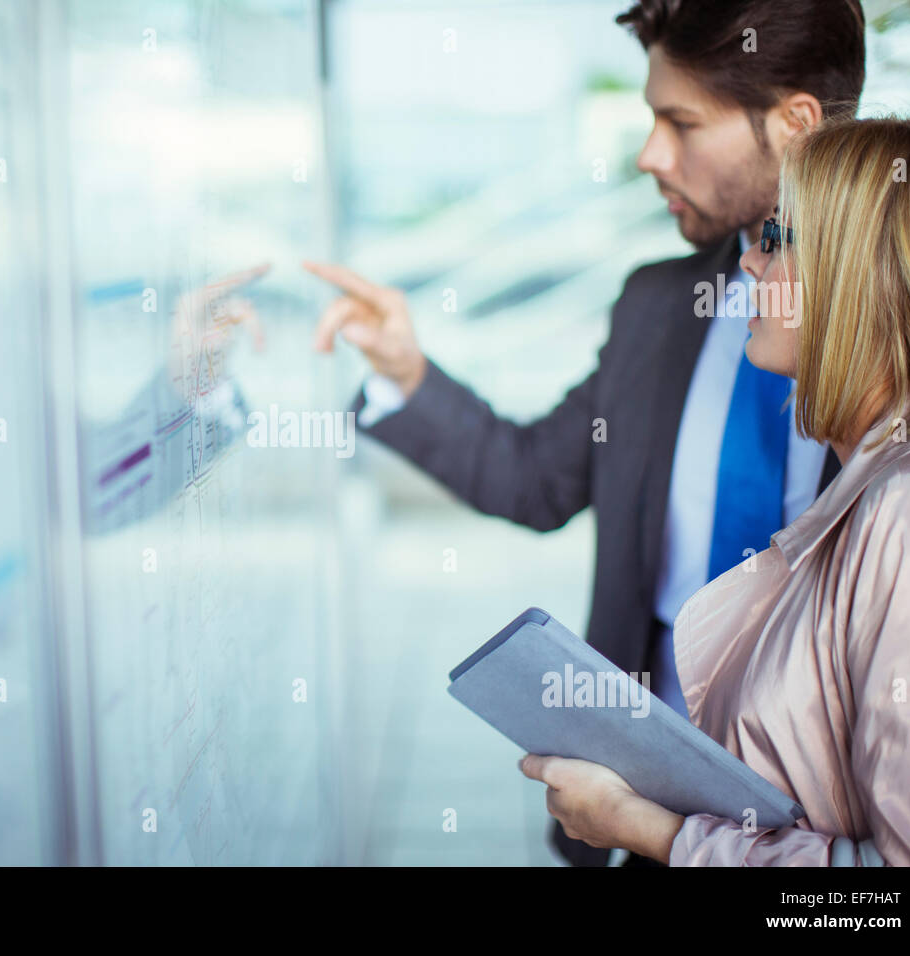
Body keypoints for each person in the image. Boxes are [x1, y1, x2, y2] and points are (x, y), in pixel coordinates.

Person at [305, 0, 866, 865]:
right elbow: (534, 479)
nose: (650, 153)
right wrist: (405, 370)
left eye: (681, 122)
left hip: (837, 841)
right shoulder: (656, 308)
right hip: (639, 812)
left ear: (794, 126)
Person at [521, 115, 910, 866]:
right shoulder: (876, 481)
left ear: (863, 279)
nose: (750, 264)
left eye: (780, 240)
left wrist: (648, 829)